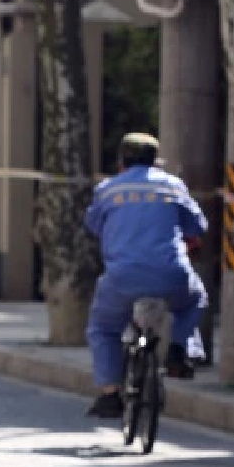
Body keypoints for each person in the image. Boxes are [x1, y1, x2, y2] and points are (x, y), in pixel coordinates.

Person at [83, 132, 210, 418]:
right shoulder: (173, 186)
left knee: (103, 328)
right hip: (171, 273)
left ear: (121, 161)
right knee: (195, 298)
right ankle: (180, 350)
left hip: (121, 277)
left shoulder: (107, 189)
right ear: (155, 161)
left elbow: (92, 225)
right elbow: (198, 226)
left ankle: (109, 394)